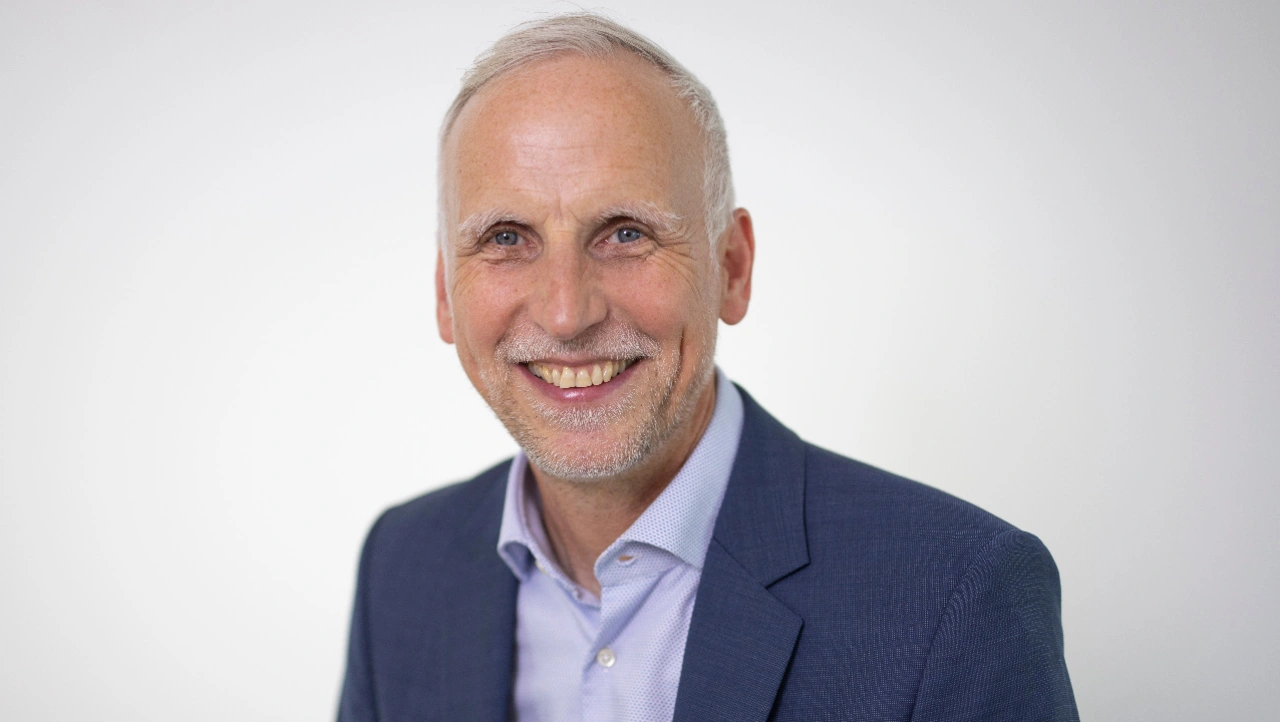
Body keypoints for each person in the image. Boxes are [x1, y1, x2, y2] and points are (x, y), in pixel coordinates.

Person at [337, 12, 1078, 722]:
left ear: (732, 267)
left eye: (626, 233)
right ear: (445, 294)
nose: (566, 313)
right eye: (506, 238)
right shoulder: (401, 565)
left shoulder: (957, 593)